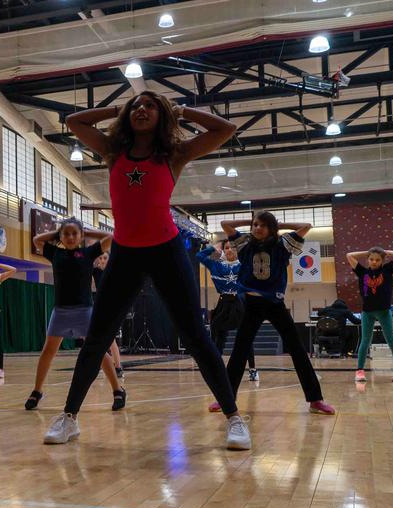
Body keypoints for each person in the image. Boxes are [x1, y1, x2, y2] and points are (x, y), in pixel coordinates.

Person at [52, 92, 250, 450]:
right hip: (126, 253)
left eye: (150, 106)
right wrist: (118, 108)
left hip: (166, 251)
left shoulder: (174, 155)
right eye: (137, 106)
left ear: (162, 116)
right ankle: (69, 417)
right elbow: (74, 122)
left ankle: (235, 418)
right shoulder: (113, 153)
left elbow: (227, 128)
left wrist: (182, 110)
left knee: (196, 337)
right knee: (97, 338)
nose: (142, 110)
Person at [221, 213, 335, 415]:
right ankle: (226, 399)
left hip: (274, 303)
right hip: (251, 304)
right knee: (240, 350)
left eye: (263, 226)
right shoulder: (245, 244)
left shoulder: (283, 245)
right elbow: (225, 224)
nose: (258, 228)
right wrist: (249, 221)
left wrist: (280, 224)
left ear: (272, 228)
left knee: (298, 350)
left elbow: (306, 225)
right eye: (255, 225)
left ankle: (315, 400)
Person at [26, 219, 125, 412]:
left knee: (98, 352)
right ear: (61, 237)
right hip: (61, 311)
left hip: (84, 311)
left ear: (80, 236)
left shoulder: (88, 253)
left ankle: (118, 390)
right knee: (48, 352)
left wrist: (87, 232)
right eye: (66, 234)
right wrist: (57, 232)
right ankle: (37, 391)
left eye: (74, 234)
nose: (70, 237)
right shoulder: (55, 252)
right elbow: (37, 239)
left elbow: (111, 238)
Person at [197, 240, 260, 381]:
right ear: (223, 251)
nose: (230, 249)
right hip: (223, 303)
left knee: (246, 337)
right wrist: (213, 248)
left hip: (240, 302)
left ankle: (253, 369)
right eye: (226, 247)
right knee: (217, 335)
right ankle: (216, 368)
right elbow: (199, 256)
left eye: (232, 247)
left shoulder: (244, 265)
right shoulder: (216, 265)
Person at [346, 247, 393, 382]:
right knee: (365, 341)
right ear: (368, 260)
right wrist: (366, 252)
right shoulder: (362, 272)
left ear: (382, 260)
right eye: (371, 259)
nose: (374, 262)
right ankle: (360, 371)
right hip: (367, 312)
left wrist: (385, 250)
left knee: (391, 340)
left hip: (384, 312)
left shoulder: (387, 270)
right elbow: (349, 255)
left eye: (377, 260)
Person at [92, 253, 125, 379]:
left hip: (111, 309)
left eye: (105, 258)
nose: (102, 260)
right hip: (99, 309)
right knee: (98, 340)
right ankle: (102, 366)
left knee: (110, 341)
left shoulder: (113, 273)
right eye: (100, 258)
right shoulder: (95, 272)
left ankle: (118, 367)